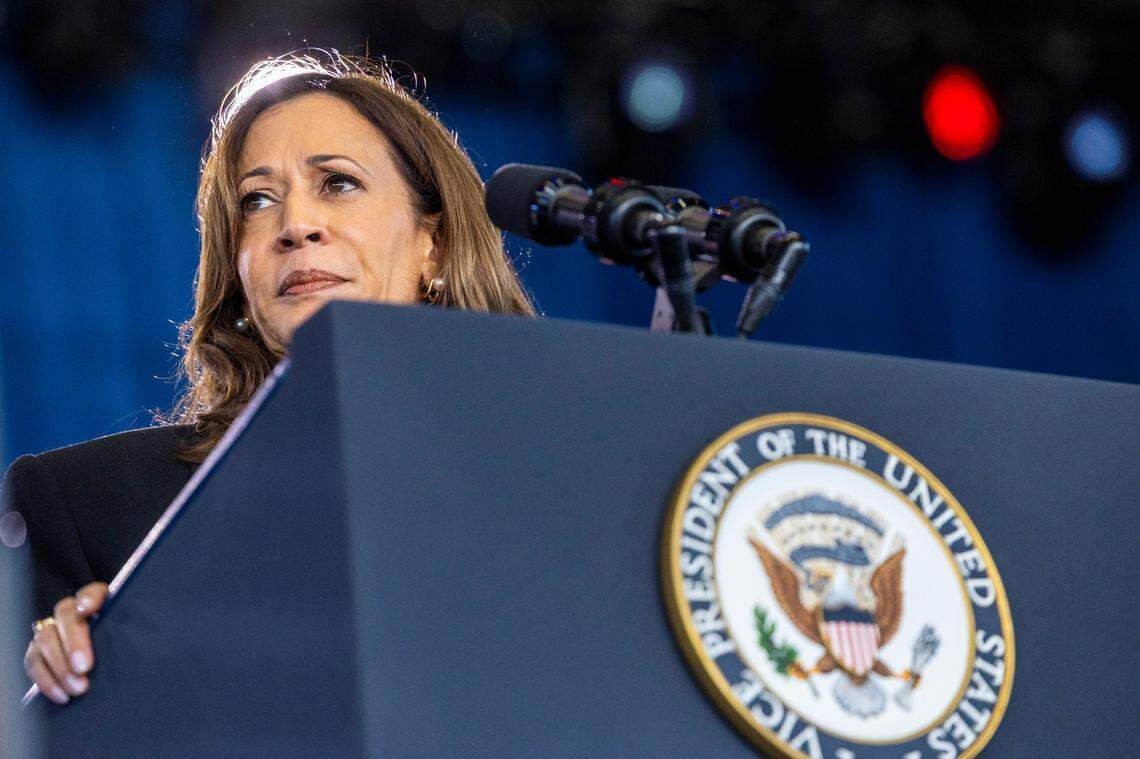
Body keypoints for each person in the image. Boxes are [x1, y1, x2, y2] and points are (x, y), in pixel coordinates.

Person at [0, 50, 533, 705]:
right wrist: (57, 688)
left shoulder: (545, 482)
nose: (295, 226)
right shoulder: (87, 508)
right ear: (239, 270)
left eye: (337, 183)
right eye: (257, 200)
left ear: (436, 243)